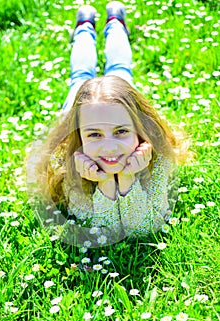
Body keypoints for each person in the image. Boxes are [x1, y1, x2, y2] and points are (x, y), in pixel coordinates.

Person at [27, 2, 184, 247]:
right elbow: (105, 228)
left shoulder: (157, 157)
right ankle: (84, 26)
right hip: (79, 109)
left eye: (121, 132)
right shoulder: (68, 161)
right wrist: (105, 183)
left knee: (120, 69)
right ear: (79, 136)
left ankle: (115, 22)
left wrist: (129, 179)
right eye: (95, 135)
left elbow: (143, 228)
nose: (109, 147)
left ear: (140, 130)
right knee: (80, 75)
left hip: (113, 103)